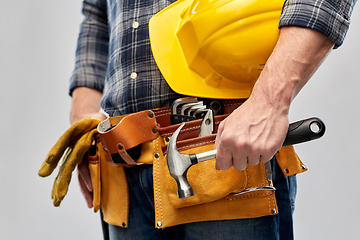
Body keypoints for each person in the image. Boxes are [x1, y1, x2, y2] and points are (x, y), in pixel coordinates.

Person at [69, 0, 357, 239]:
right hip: (122, 172)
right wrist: (83, 122)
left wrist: (269, 102)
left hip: (223, 161)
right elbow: (96, 13)